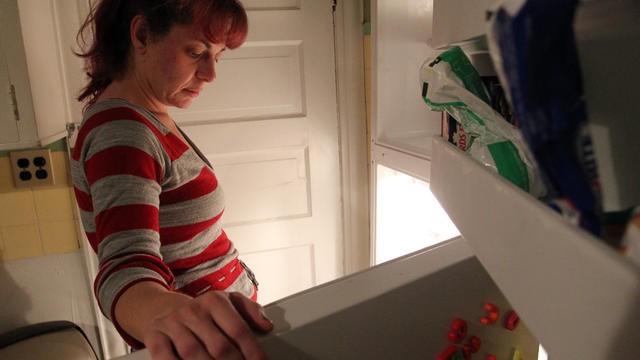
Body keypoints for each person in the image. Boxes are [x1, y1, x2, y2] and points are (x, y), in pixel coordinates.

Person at [71, 1, 273, 359]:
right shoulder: (122, 132)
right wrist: (160, 312)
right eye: (196, 52)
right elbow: (124, 265)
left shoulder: (149, 113)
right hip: (204, 346)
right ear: (142, 35)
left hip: (220, 330)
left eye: (218, 56)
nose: (211, 73)